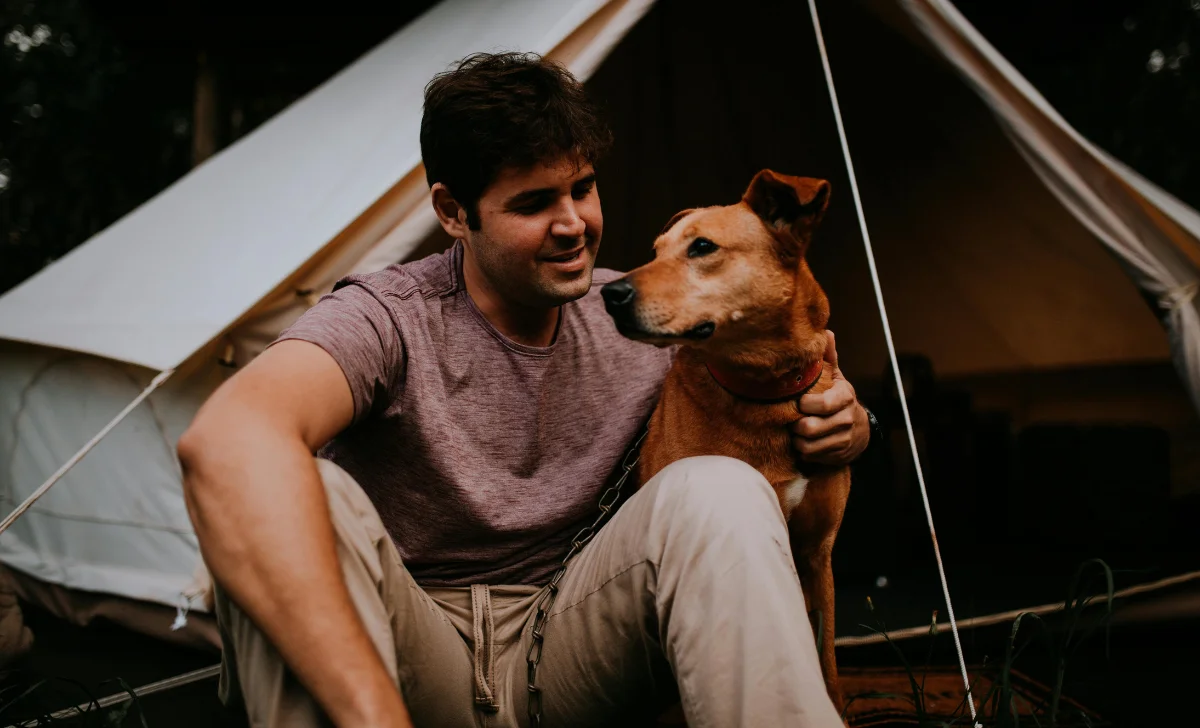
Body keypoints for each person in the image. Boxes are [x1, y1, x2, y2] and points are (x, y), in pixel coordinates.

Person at [178, 52, 872, 728]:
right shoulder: (387, 316)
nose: (573, 224)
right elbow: (225, 442)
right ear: (454, 212)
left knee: (719, 486)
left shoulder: (644, 319)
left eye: (582, 188)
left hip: (570, 642)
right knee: (297, 494)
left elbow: (776, 366)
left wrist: (851, 420)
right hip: (411, 650)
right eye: (535, 203)